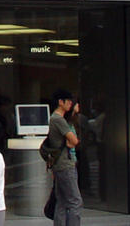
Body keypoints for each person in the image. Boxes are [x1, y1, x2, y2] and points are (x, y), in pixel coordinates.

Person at [46, 89, 82, 226]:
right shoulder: (58, 119)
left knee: (61, 201)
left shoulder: (55, 119)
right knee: (75, 201)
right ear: (61, 102)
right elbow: (74, 141)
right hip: (65, 164)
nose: (71, 104)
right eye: (68, 101)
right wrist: (70, 141)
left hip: (59, 164)